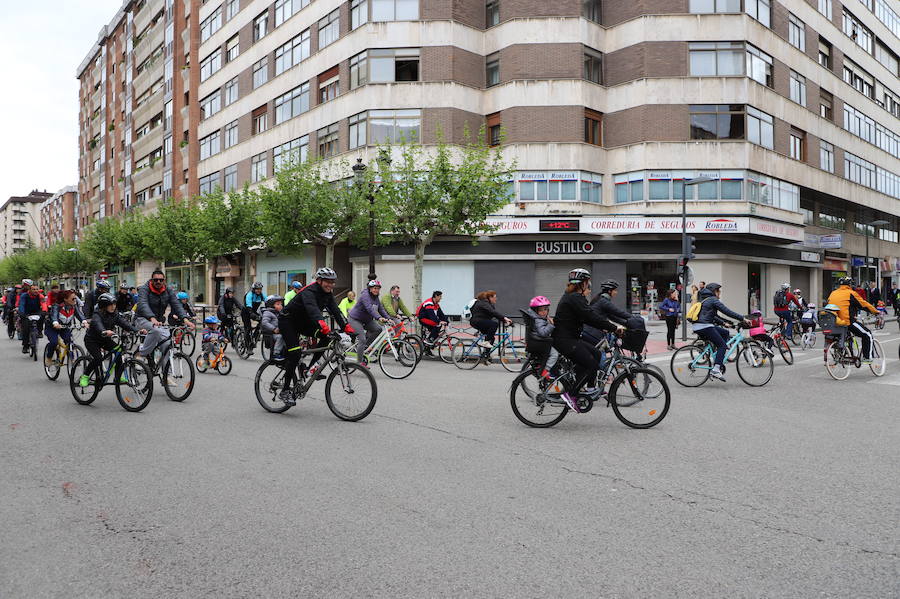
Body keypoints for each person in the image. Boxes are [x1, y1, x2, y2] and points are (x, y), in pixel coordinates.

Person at [278, 267, 353, 405]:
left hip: (303, 322)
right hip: (287, 321)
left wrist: (347, 328)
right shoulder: (309, 292)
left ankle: (310, 369)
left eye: (332, 282)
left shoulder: (328, 293)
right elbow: (312, 310)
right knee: (295, 354)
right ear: (319, 281)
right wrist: (324, 326)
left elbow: (335, 311)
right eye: (327, 282)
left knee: (326, 338)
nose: (330, 285)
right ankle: (285, 390)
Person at [551, 268, 621, 412]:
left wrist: (605, 327)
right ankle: (571, 395)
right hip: (565, 340)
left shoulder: (573, 296)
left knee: (595, 353)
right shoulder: (574, 298)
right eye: (587, 282)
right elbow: (590, 316)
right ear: (582, 283)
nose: (588, 285)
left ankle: (586, 386)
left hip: (570, 338)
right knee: (591, 365)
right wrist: (613, 327)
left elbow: (587, 317)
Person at [79, 293, 144, 388]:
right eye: (110, 304)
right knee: (98, 358)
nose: (113, 306)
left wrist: (137, 330)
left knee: (119, 352)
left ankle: (117, 377)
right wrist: (104, 331)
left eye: (114, 304)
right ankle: (85, 376)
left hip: (105, 339)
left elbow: (124, 324)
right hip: (92, 340)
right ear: (104, 305)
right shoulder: (97, 314)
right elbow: (98, 324)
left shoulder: (115, 314)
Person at [691, 282, 750, 382]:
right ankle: (716, 369)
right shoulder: (713, 300)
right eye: (719, 291)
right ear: (714, 291)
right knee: (722, 345)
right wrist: (742, 318)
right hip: (705, 326)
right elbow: (727, 311)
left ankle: (717, 356)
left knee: (725, 333)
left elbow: (711, 316)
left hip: (700, 326)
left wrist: (723, 323)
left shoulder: (705, 300)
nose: (720, 293)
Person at [134, 270, 194, 361]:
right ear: (151, 280)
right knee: (155, 331)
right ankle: (141, 354)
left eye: (161, 280)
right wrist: (152, 318)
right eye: (156, 280)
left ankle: (167, 373)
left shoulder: (168, 290)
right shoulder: (144, 289)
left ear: (164, 280)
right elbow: (143, 304)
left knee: (167, 344)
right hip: (142, 319)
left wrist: (185, 319)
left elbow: (176, 304)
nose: (158, 282)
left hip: (158, 321)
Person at [826, 277, 878, 362]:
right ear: (850, 285)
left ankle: (846, 353)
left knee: (847, 336)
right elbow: (863, 304)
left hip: (833, 321)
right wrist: (876, 312)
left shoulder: (833, 293)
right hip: (846, 321)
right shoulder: (851, 293)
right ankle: (867, 357)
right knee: (867, 334)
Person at [348, 280, 396, 365]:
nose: (376, 290)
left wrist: (388, 318)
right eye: (374, 288)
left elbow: (381, 309)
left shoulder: (376, 298)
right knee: (362, 339)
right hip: (355, 319)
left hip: (366, 320)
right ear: (370, 289)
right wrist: (379, 318)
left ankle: (366, 346)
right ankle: (359, 363)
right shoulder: (365, 296)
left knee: (378, 329)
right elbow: (369, 308)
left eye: (378, 288)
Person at [45, 289, 89, 367]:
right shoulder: (57, 306)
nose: (75, 300)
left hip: (64, 327)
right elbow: (54, 315)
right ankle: (49, 358)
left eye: (75, 298)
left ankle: (73, 359)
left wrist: (84, 322)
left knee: (69, 341)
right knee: (54, 342)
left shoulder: (74, 306)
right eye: (73, 298)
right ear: (65, 299)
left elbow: (79, 315)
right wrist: (55, 323)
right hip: (52, 327)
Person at [523, 296, 559, 377]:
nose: (544, 312)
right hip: (542, 343)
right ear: (535, 311)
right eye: (541, 310)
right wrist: (551, 325)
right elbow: (543, 333)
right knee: (554, 354)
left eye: (546, 309)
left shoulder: (537, 318)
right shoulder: (538, 320)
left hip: (538, 342)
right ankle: (545, 370)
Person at [18, 285, 46, 354]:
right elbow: (22, 304)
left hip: (36, 312)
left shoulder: (40, 296)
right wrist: (22, 313)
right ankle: (25, 346)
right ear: (30, 290)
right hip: (26, 313)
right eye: (34, 289)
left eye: (37, 289)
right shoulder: (24, 296)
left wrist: (44, 311)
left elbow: (43, 304)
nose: (36, 291)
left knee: (42, 317)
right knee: (26, 329)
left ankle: (39, 331)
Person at [259, 294, 284, 360]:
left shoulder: (279, 313)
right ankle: (276, 354)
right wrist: (274, 329)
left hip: (280, 331)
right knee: (280, 337)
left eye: (281, 304)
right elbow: (264, 323)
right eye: (278, 304)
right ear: (271, 305)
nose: (281, 306)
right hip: (271, 334)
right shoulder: (267, 313)